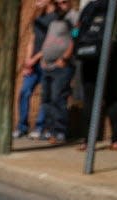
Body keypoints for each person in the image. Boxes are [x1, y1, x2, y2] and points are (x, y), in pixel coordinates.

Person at [76, 0, 117, 150]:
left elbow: (77, 30)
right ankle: (115, 140)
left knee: (89, 97)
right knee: (113, 96)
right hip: (114, 56)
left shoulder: (91, 6)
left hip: (90, 54)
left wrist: (78, 43)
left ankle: (87, 140)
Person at [39, 0, 76, 143]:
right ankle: (49, 130)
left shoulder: (73, 17)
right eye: (58, 3)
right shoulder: (55, 20)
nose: (60, 5)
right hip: (47, 65)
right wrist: (43, 57)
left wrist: (66, 57)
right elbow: (48, 39)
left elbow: (76, 35)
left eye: (63, 2)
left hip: (62, 66)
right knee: (46, 99)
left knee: (58, 97)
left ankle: (59, 131)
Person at [14, 0, 52, 139]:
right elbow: (32, 39)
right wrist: (27, 61)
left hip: (47, 62)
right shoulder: (38, 19)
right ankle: (22, 127)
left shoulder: (55, 18)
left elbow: (51, 42)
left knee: (45, 95)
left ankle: (40, 127)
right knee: (24, 92)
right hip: (33, 64)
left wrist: (36, 58)